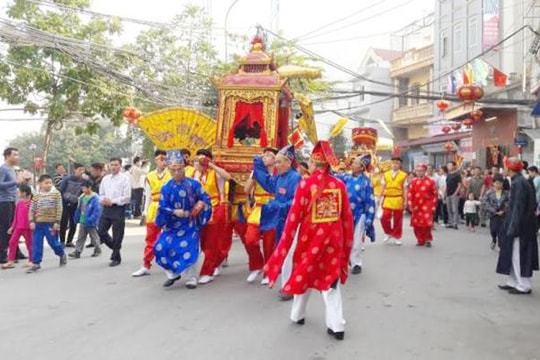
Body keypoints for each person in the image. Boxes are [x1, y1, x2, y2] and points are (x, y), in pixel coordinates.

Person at [264, 140, 354, 341]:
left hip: (309, 239)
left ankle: (298, 315)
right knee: (330, 280)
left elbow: (294, 217)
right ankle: (336, 325)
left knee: (304, 273)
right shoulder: (339, 185)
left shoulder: (305, 184)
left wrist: (285, 243)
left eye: (311, 163)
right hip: (334, 240)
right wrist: (347, 246)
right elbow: (347, 218)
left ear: (314, 164)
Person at [153, 150, 212, 289]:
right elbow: (162, 207)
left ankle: (192, 278)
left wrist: (198, 207)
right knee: (160, 247)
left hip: (190, 223)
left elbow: (205, 199)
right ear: (169, 170)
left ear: (184, 168)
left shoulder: (194, 185)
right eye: (173, 170)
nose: (177, 173)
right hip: (173, 224)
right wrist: (174, 212)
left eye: (179, 169)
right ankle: (172, 274)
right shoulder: (166, 188)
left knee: (189, 249)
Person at [252, 144, 302, 298]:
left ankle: (290, 286)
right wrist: (259, 161)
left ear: (288, 162)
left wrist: (278, 205)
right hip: (281, 221)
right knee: (284, 253)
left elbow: (297, 202)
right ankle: (289, 284)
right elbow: (266, 181)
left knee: (289, 254)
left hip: (292, 223)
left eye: (279, 162)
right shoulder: (279, 177)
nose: (276, 165)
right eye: (275, 162)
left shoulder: (295, 178)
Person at [185, 149, 232, 284]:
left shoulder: (215, 173)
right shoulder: (193, 174)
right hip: (197, 211)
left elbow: (228, 177)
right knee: (201, 242)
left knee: (211, 243)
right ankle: (218, 259)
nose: (199, 162)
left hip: (214, 209)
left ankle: (207, 271)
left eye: (202, 159)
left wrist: (210, 165)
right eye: (197, 159)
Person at [496, 157, 539, 295]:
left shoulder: (519, 183)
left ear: (509, 168)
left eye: (505, 166)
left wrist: (513, 227)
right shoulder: (520, 181)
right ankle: (513, 281)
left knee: (518, 254)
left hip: (520, 226)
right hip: (520, 223)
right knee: (512, 252)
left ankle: (523, 285)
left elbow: (518, 208)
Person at [132, 150, 172, 277]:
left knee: (168, 239)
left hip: (168, 208)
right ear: (156, 160)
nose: (164, 162)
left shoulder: (172, 174)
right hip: (154, 208)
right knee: (150, 239)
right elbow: (147, 195)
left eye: (166, 159)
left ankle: (170, 265)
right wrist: (145, 211)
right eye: (161, 159)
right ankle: (145, 265)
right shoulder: (150, 176)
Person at [335, 154, 375, 273]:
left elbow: (371, 201)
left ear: (361, 167)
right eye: (353, 163)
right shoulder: (346, 178)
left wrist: (369, 218)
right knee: (343, 238)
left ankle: (356, 263)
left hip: (360, 214)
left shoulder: (366, 182)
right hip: (345, 213)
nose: (352, 165)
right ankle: (343, 261)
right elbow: (333, 176)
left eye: (355, 163)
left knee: (357, 240)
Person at [244, 147, 278, 284]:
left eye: (269, 155)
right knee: (250, 239)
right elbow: (246, 190)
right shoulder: (257, 173)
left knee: (270, 244)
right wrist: (253, 177)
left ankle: (269, 272)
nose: (265, 157)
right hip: (258, 210)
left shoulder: (279, 173)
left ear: (276, 159)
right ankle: (257, 265)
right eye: (263, 155)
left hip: (273, 209)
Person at [27, 174, 67, 273]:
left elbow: (59, 208)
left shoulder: (56, 193)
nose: (49, 185)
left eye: (50, 183)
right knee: (36, 243)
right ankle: (36, 263)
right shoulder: (36, 195)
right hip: (38, 224)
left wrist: (57, 222)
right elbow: (32, 209)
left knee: (53, 242)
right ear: (40, 184)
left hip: (51, 223)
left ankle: (61, 254)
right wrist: (31, 221)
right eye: (46, 183)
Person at [98, 157, 132, 267]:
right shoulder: (105, 179)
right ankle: (115, 247)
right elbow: (101, 193)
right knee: (101, 231)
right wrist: (103, 200)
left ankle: (116, 256)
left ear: (120, 166)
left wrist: (112, 201)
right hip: (106, 208)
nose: (113, 167)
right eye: (111, 165)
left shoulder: (125, 179)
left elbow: (126, 197)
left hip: (118, 208)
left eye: (116, 165)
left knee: (117, 233)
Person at [0, 147, 23, 264]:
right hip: (4, 202)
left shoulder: (13, 169)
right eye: (15, 155)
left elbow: (15, 186)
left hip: (13, 201)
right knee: (5, 229)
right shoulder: (3, 169)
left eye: (18, 155)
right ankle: (2, 255)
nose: (17, 157)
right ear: (8, 156)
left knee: (14, 227)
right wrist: (15, 182)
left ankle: (16, 252)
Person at [68, 180, 102, 258]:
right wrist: (76, 217)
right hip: (82, 220)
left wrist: (92, 219)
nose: (83, 190)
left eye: (84, 188)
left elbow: (97, 210)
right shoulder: (82, 197)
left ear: (89, 187)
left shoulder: (95, 198)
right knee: (81, 236)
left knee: (94, 236)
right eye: (82, 188)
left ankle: (97, 249)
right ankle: (77, 251)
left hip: (90, 220)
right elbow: (79, 208)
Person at [2, 184, 33, 269]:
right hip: (18, 227)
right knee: (12, 242)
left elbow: (34, 216)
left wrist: (33, 224)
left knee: (29, 244)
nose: (18, 193)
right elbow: (15, 216)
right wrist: (12, 227)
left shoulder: (31, 204)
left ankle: (31, 261)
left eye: (19, 191)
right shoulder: (19, 203)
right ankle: (10, 261)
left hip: (28, 228)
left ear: (24, 193)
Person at [378, 157, 407, 245]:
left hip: (398, 198)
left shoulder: (404, 175)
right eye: (393, 163)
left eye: (397, 163)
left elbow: (405, 188)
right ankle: (388, 232)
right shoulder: (386, 174)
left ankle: (397, 236)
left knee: (398, 219)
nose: (394, 164)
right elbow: (383, 186)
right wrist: (379, 197)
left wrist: (405, 200)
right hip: (388, 198)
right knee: (384, 217)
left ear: (400, 164)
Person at [407, 163, 438, 247]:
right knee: (416, 224)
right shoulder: (413, 181)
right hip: (416, 205)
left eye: (421, 171)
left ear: (425, 171)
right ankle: (420, 239)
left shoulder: (431, 181)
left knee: (427, 223)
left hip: (427, 205)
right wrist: (410, 204)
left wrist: (433, 205)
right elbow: (410, 193)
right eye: (417, 171)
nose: (419, 172)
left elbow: (435, 194)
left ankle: (427, 239)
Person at [59, 163, 86, 247]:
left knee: (73, 222)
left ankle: (69, 241)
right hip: (65, 203)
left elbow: (85, 191)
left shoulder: (84, 181)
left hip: (75, 204)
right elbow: (61, 190)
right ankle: (62, 241)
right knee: (63, 222)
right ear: (75, 170)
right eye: (79, 170)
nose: (81, 172)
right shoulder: (67, 179)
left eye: (83, 170)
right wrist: (68, 197)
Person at [482, 175, 509, 249]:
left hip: (503, 214)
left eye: (500, 183)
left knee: (501, 230)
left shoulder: (506, 193)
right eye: (496, 183)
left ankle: (500, 244)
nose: (498, 185)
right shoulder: (489, 192)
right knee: (493, 230)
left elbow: (509, 203)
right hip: (493, 214)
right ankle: (494, 239)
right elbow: (484, 202)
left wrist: (504, 210)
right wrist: (493, 210)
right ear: (493, 183)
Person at [445, 161, 462, 230]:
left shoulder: (457, 174)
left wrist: (455, 193)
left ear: (454, 166)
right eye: (448, 165)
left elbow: (459, 185)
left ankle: (455, 223)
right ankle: (451, 222)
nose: (449, 167)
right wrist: (445, 192)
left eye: (450, 165)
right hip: (448, 193)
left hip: (454, 194)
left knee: (455, 209)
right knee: (449, 209)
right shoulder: (448, 174)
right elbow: (447, 184)